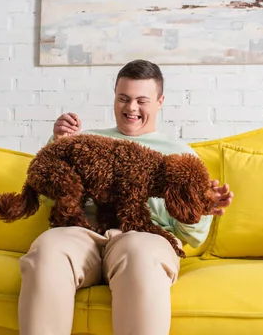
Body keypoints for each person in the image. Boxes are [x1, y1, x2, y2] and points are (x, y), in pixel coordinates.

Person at [17, 59, 233, 335]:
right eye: (123, 98)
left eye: (142, 100)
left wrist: (201, 208)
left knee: (140, 254)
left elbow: (193, 237)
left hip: (145, 236)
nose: (131, 108)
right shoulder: (89, 140)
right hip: (83, 233)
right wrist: (57, 146)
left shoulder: (180, 154)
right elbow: (49, 202)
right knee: (48, 249)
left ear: (160, 101)